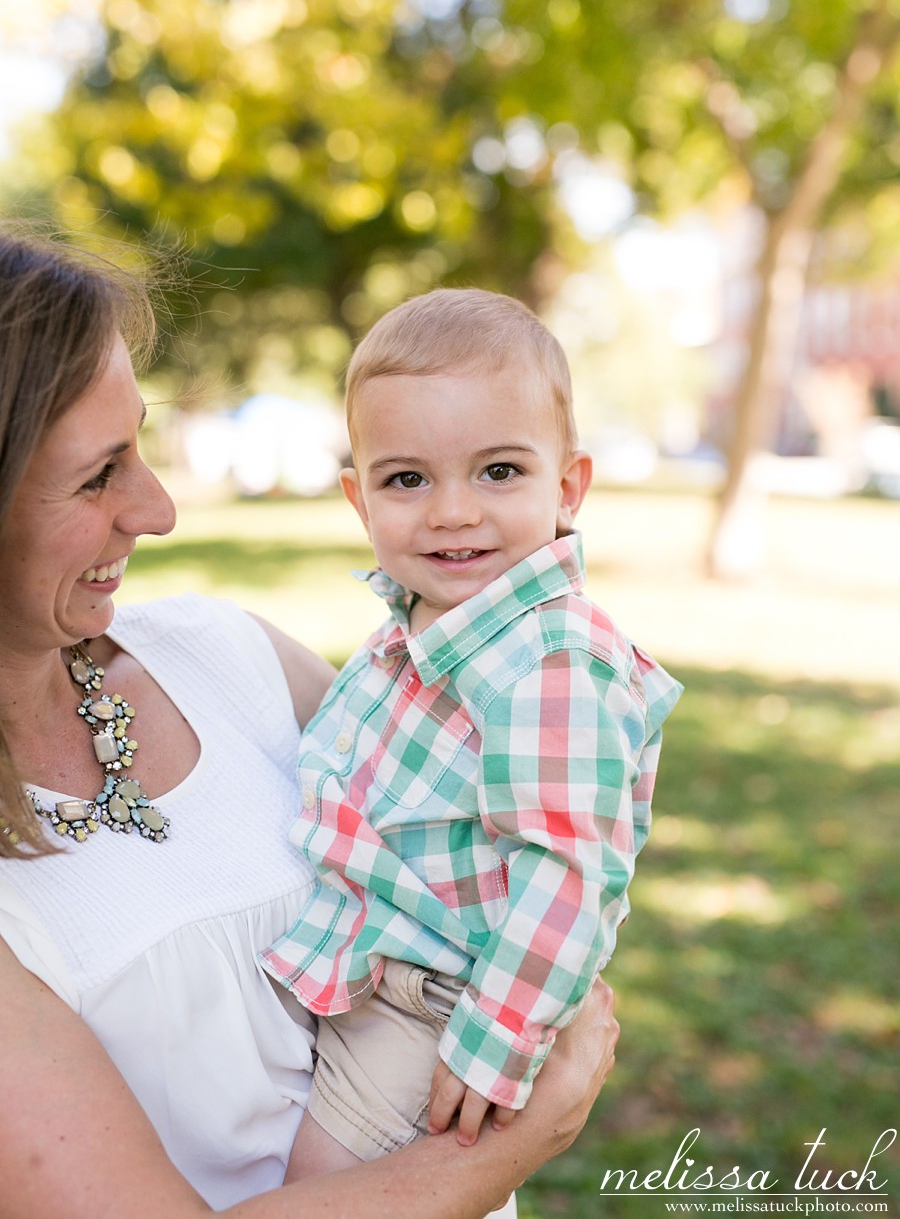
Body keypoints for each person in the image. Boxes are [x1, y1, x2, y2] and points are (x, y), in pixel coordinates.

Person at [0, 230, 620, 1219]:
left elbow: (514, 832)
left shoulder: (222, 653)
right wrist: (520, 1139)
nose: (159, 510)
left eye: (143, 444)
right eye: (99, 473)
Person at [260, 289, 682, 1181]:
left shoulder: (551, 662)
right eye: (407, 479)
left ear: (567, 488)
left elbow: (571, 872)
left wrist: (492, 1042)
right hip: (377, 977)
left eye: (498, 471)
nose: (452, 511)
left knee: (320, 1193)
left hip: (437, 1017)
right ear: (358, 498)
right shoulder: (429, 625)